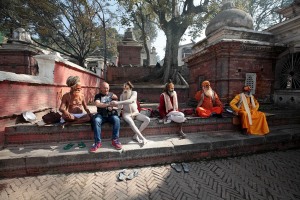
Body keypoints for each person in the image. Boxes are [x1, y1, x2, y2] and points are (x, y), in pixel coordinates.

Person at [111, 81, 150, 146]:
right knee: (131, 122)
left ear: (130, 88)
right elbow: (120, 107)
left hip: (135, 113)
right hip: (126, 114)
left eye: (127, 88)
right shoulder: (121, 95)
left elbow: (130, 101)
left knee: (147, 119)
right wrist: (113, 106)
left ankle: (135, 136)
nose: (125, 90)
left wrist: (118, 102)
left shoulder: (134, 93)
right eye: (124, 88)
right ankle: (142, 138)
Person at [90, 81, 122, 152]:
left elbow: (117, 101)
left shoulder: (111, 94)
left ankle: (115, 140)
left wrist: (114, 106)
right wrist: (108, 104)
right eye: (104, 88)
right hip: (101, 115)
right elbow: (97, 104)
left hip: (111, 115)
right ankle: (97, 142)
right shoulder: (98, 96)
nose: (106, 90)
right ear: (100, 88)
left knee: (117, 119)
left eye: (107, 88)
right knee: (96, 120)